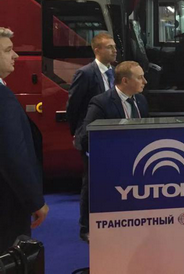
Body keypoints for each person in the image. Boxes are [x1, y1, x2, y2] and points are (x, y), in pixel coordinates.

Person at [0, 28, 48, 253]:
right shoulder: (3, 98)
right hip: (7, 204)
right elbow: (12, 155)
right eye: (8, 50)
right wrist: (35, 201)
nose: (16, 55)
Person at [66, 32, 117, 242]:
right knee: (90, 183)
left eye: (114, 46)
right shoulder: (85, 73)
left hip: (113, 137)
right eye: (110, 47)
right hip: (91, 137)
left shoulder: (115, 73)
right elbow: (73, 107)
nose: (114, 50)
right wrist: (78, 133)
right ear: (97, 50)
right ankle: (86, 227)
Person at [77, 61, 150, 151]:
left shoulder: (141, 100)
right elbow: (86, 138)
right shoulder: (101, 103)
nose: (145, 81)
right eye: (139, 78)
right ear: (125, 81)